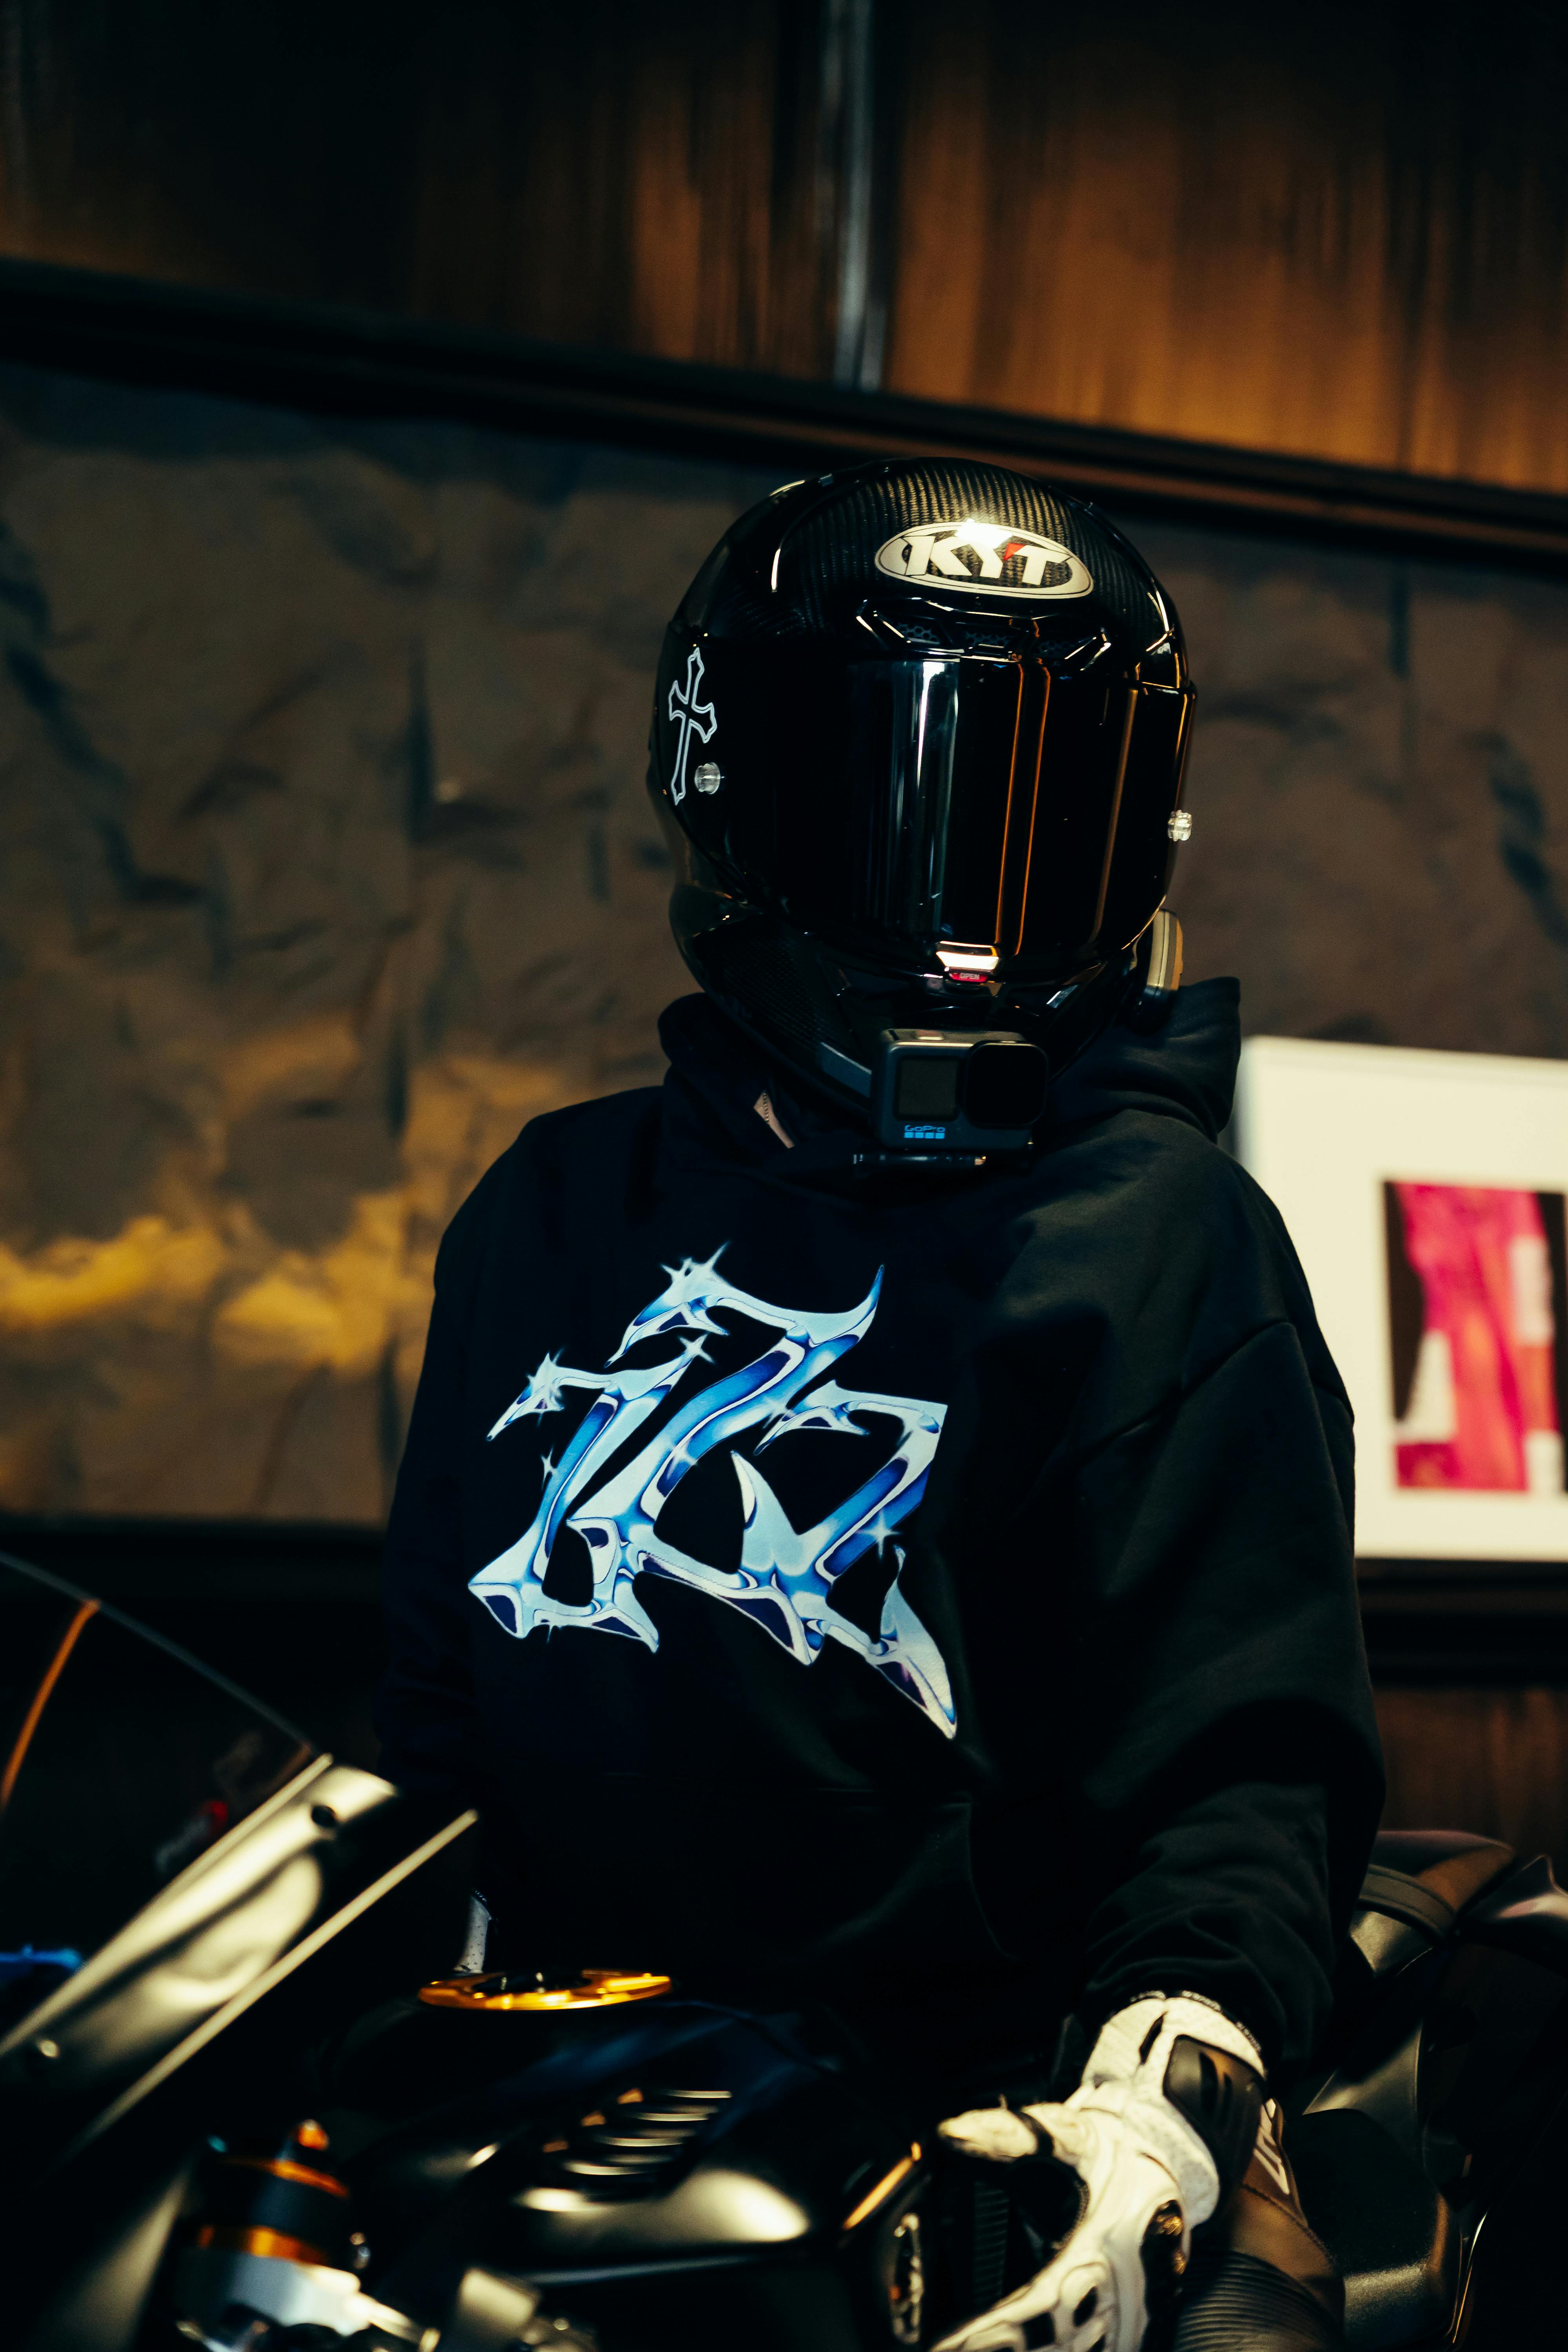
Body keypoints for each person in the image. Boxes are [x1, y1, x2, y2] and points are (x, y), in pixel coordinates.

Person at [376, 462, 1383, 2352]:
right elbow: (437, 1721)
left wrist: (1152, 2119)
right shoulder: (552, 1211)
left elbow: (1236, 1782)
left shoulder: (1165, 1241)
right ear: (733, 787)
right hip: (569, 2156)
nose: (974, 887)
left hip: (970, 2167)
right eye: (904, 781)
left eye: (1042, 802)